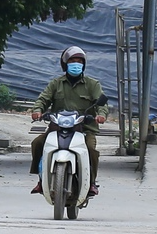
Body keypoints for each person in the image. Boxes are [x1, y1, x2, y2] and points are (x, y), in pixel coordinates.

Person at [30, 45, 105, 196]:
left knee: (91, 149)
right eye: (72, 60)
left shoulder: (92, 84)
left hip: (84, 129)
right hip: (58, 127)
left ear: (84, 64)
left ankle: (91, 183)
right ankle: (40, 179)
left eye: (79, 61)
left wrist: (100, 115)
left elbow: (102, 103)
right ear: (65, 64)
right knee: (37, 143)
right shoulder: (55, 84)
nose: (76, 63)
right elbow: (43, 99)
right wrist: (38, 110)